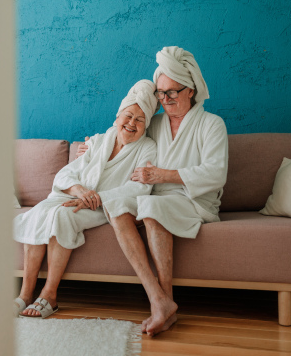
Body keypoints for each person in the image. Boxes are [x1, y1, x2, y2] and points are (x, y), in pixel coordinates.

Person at [76, 47, 228, 336]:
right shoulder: (154, 123)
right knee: (118, 203)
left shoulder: (212, 125)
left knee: (150, 207)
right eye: (160, 93)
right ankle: (159, 299)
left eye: (172, 92)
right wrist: (93, 147)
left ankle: (164, 301)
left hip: (194, 201)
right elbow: (123, 133)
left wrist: (162, 175)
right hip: (154, 195)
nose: (165, 99)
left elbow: (216, 173)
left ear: (191, 90)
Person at [13, 80, 159, 318]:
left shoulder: (147, 148)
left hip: (104, 205)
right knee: (38, 213)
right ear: (118, 116)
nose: (132, 123)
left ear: (146, 126)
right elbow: (67, 173)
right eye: (128, 116)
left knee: (63, 215)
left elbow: (138, 188)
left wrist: (97, 197)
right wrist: (80, 190)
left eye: (139, 120)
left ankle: (49, 295)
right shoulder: (101, 140)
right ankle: (25, 295)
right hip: (79, 195)